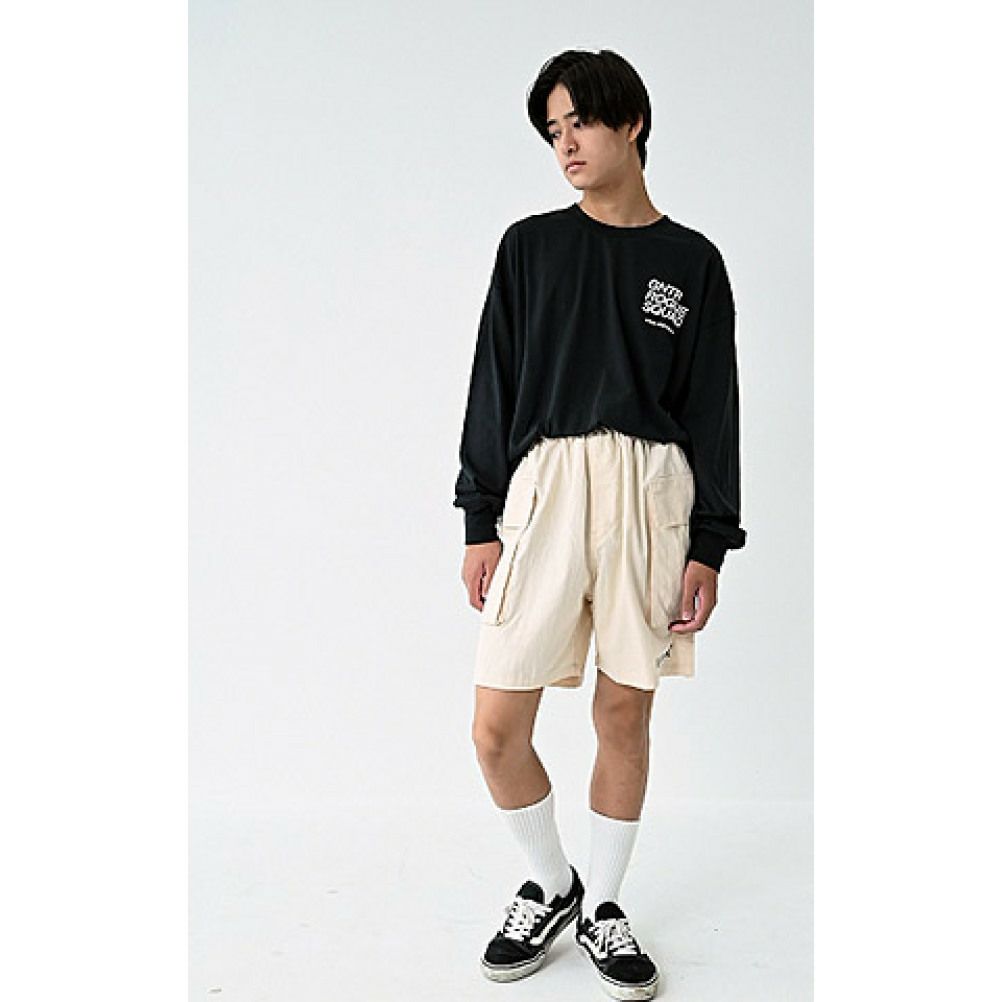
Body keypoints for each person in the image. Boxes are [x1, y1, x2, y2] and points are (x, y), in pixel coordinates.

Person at [453, 48, 747, 1000]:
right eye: (553, 130)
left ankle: (606, 905)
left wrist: (710, 542)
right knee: (496, 727)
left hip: (652, 497)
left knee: (624, 711)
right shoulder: (530, 248)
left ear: (633, 124)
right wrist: (480, 515)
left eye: (580, 121)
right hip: (544, 490)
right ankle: (552, 883)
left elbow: (713, 410)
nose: (566, 144)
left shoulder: (692, 263)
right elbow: (494, 382)